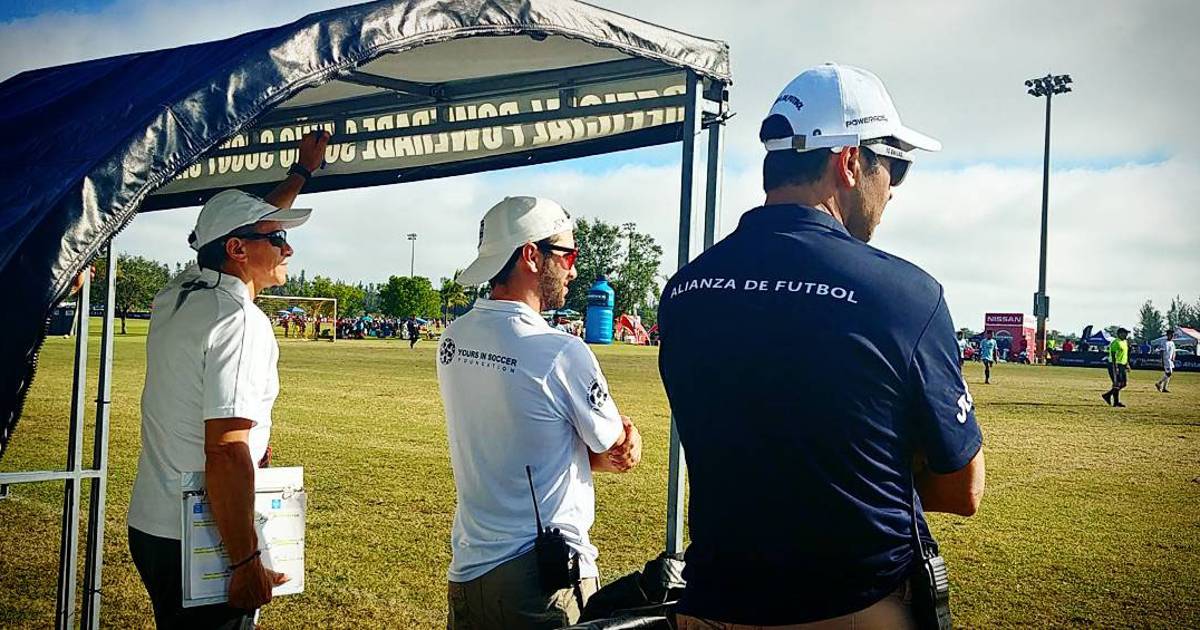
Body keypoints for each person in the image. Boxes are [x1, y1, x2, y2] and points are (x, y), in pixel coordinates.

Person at [657, 64, 984, 628]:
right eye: (896, 167)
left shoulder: (685, 291)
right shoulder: (905, 294)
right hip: (852, 605)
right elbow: (963, 488)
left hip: (713, 604)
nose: (893, 189)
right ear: (850, 162)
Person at [126, 130, 330, 629]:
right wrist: (245, 560)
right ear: (237, 249)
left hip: (153, 525)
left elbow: (230, 229)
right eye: (277, 239)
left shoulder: (177, 294)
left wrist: (300, 174)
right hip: (202, 535)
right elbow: (225, 450)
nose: (288, 249)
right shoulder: (238, 320)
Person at [436, 196, 643, 629]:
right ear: (531, 255)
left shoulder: (453, 338)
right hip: (541, 580)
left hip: (469, 570)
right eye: (568, 255)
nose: (573, 269)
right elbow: (613, 445)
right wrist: (630, 438)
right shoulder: (559, 351)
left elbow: (519, 438)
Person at [1103, 327, 1131, 407]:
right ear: (1119, 334)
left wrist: (1127, 364)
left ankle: (1108, 395)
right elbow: (1113, 355)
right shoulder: (1115, 342)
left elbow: (1125, 354)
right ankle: (1116, 402)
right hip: (1115, 364)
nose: (1126, 335)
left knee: (1123, 383)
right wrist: (1115, 367)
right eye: (1125, 333)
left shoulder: (1125, 342)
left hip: (1122, 364)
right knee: (1117, 383)